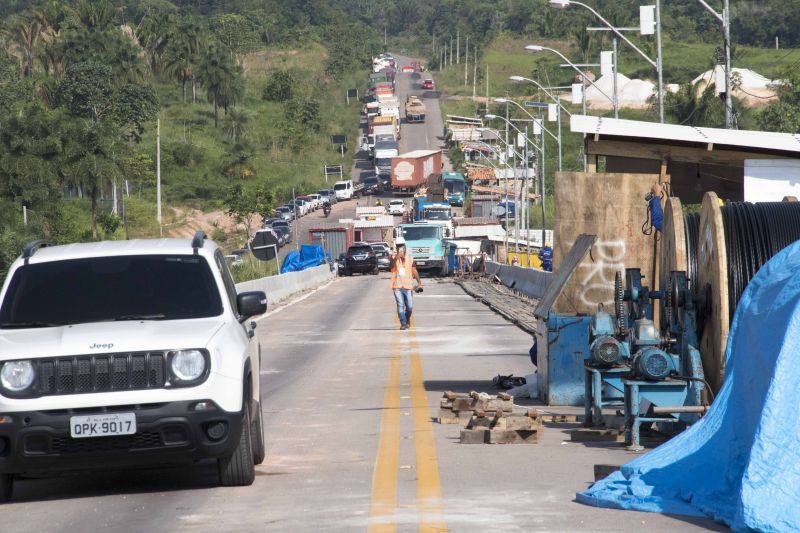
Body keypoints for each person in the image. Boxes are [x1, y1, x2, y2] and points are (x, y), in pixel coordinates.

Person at [389, 237, 422, 330]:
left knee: (410, 307)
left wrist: (419, 283)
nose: (401, 248)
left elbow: (414, 271)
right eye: (399, 246)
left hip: (408, 286)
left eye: (402, 246)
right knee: (400, 305)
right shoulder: (392, 258)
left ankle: (407, 319)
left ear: (405, 247)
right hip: (397, 286)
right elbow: (391, 266)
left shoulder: (410, 258)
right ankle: (403, 323)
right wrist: (396, 258)